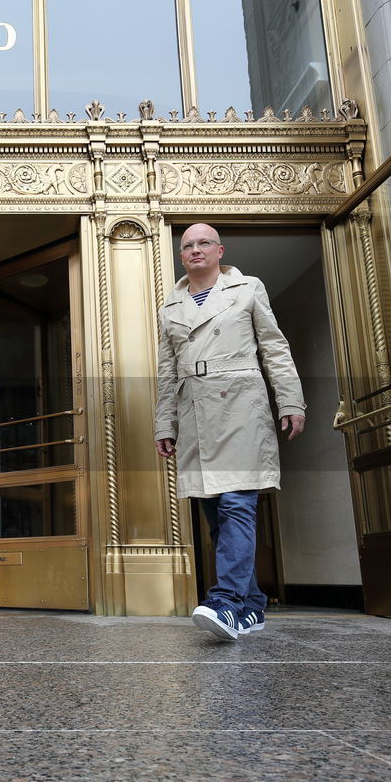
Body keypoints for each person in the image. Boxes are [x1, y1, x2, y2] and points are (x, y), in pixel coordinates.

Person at [154, 224, 306, 641]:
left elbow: (275, 347)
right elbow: (167, 371)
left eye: (204, 243)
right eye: (187, 245)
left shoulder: (247, 288)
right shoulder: (170, 306)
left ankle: (225, 602)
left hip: (240, 404)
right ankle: (252, 605)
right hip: (195, 412)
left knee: (238, 503)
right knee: (214, 516)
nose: (195, 249)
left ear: (220, 250)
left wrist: (290, 400)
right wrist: (165, 422)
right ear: (181, 256)